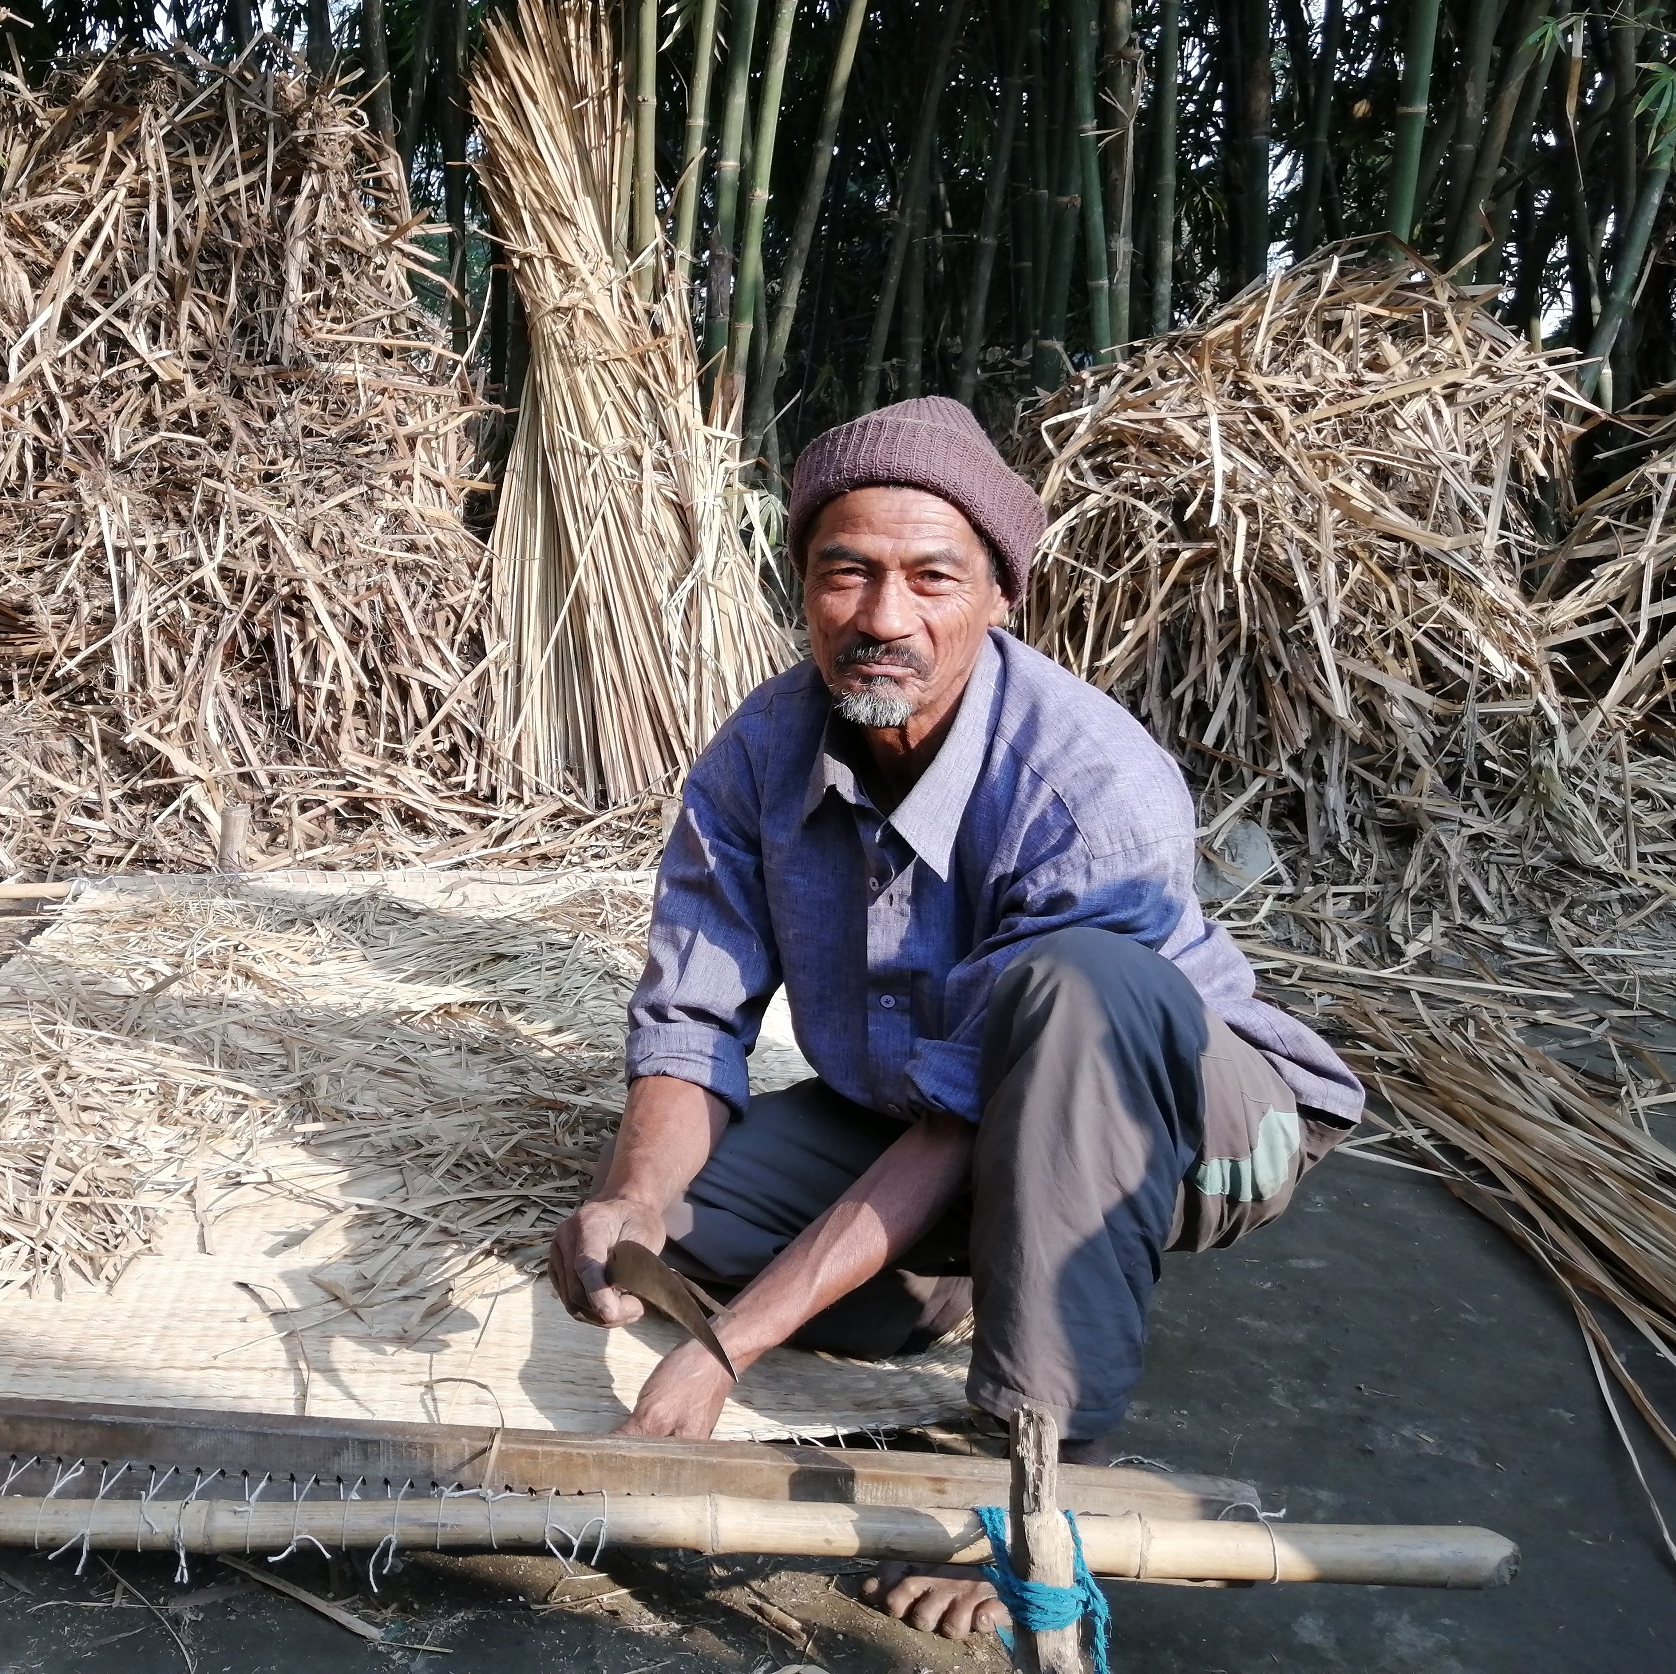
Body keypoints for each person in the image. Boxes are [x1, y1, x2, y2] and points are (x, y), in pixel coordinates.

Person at [546, 396, 1363, 1642]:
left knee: (1075, 986)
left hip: (1194, 1127)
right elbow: (694, 1006)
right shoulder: (760, 751)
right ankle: (960, 1278)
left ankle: (1046, 1476)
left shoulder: (1087, 778)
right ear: (802, 589)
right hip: (923, 1114)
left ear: (998, 597)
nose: (884, 618)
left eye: (931, 578)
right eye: (847, 574)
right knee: (691, 1239)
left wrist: (726, 1353)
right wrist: (635, 1200)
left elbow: (982, 1100)